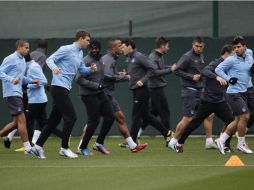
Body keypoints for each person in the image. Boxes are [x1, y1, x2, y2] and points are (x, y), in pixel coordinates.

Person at [33, 30, 96, 159]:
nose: (89, 43)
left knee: (53, 120)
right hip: (58, 87)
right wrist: (54, 68)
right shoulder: (66, 49)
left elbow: (81, 69)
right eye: (88, 40)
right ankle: (64, 148)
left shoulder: (80, 53)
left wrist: (91, 69)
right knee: (71, 117)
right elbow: (50, 59)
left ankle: (38, 146)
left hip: (65, 88)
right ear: (81, 38)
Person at [173, 45, 235, 153]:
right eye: (233, 54)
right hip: (208, 101)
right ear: (226, 54)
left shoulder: (229, 66)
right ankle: (179, 143)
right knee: (194, 123)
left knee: (231, 122)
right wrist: (217, 77)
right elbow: (205, 71)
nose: (234, 56)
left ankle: (225, 145)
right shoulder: (216, 63)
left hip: (220, 101)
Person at [168, 36, 217, 150]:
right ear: (192, 45)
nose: (199, 48)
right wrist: (191, 76)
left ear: (203, 46)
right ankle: (173, 141)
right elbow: (176, 70)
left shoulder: (201, 56)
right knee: (188, 118)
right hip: (189, 91)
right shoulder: (187, 56)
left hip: (200, 90)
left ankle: (209, 141)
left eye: (201, 46)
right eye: (196, 46)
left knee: (209, 114)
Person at [101, 38, 148, 152]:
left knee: (120, 118)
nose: (121, 47)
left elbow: (110, 74)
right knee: (93, 120)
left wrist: (119, 74)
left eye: (122, 45)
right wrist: (125, 77)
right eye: (119, 45)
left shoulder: (111, 58)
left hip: (108, 94)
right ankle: (85, 146)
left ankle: (132, 145)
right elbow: (107, 76)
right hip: (104, 93)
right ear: (113, 48)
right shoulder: (109, 59)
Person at [121, 39, 171, 145]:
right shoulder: (129, 58)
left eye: (123, 47)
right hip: (135, 90)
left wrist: (143, 81)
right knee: (146, 116)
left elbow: (152, 69)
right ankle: (167, 133)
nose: (122, 49)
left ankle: (131, 142)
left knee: (136, 116)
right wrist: (125, 75)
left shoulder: (139, 56)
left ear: (130, 47)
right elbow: (135, 72)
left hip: (142, 90)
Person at [75, 40, 115, 156]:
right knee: (94, 121)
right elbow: (79, 79)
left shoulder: (100, 60)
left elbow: (100, 76)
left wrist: (118, 77)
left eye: (96, 48)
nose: (94, 50)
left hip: (99, 93)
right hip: (88, 94)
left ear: (99, 49)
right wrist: (96, 85)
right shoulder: (86, 60)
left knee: (110, 116)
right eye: (92, 48)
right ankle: (82, 148)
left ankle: (99, 143)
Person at [0, 39, 39, 154]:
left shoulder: (22, 60)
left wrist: (32, 81)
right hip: (11, 92)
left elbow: (21, 78)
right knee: (22, 120)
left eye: (28, 48)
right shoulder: (11, 58)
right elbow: (0, 72)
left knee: (16, 123)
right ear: (19, 47)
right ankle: (28, 148)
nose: (28, 50)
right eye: (26, 47)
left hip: (18, 93)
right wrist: (11, 79)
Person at [215, 36, 253, 154]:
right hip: (233, 93)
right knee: (245, 116)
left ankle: (221, 140)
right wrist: (228, 78)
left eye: (239, 47)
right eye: (235, 47)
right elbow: (218, 69)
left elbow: (250, 67)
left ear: (244, 47)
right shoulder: (231, 59)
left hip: (244, 92)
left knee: (237, 120)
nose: (236, 49)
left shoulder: (249, 54)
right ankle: (241, 144)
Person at [136, 37, 175, 139]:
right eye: (167, 46)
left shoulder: (159, 56)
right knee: (165, 114)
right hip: (156, 89)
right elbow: (153, 72)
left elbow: (160, 68)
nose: (168, 48)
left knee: (151, 113)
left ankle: (136, 133)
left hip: (156, 89)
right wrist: (170, 70)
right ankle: (168, 138)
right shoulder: (153, 57)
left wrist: (172, 67)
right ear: (162, 46)